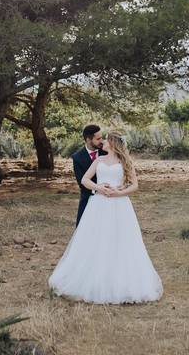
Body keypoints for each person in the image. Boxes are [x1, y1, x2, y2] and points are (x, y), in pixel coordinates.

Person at [48, 130, 162, 304]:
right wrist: (99, 187)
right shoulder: (99, 160)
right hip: (98, 204)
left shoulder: (124, 162)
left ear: (113, 143)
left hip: (120, 205)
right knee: (96, 239)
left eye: (106, 140)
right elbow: (85, 180)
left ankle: (120, 280)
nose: (103, 142)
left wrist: (119, 192)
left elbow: (135, 185)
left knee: (121, 240)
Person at [71, 124, 104, 226]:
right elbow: (82, 183)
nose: (101, 141)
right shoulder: (77, 158)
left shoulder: (107, 151)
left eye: (102, 137)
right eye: (98, 139)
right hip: (89, 197)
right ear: (89, 140)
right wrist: (98, 189)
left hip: (109, 197)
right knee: (82, 228)